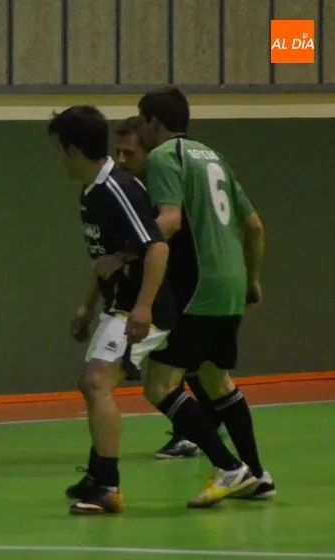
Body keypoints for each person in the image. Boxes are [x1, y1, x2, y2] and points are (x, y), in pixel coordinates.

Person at [50, 106, 257, 514]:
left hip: (141, 308)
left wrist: (143, 308)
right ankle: (102, 473)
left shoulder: (118, 189)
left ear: (73, 150)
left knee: (97, 382)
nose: (59, 159)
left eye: (60, 150)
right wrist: (88, 304)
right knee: (124, 387)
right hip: (119, 305)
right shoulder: (91, 191)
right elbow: (106, 259)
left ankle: (108, 486)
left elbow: (157, 247)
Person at [137, 86, 275, 501]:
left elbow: (170, 219)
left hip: (200, 284)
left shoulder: (165, 157)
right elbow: (254, 226)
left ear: (154, 123)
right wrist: (252, 278)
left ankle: (228, 467)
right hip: (231, 283)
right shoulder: (213, 156)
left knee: (157, 384)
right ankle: (258, 475)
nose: (140, 131)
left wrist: (127, 248)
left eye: (141, 122)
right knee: (215, 378)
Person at [114, 116, 223, 460]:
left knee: (177, 369)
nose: (121, 160)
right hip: (183, 288)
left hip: (192, 287)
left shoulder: (166, 192)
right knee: (195, 366)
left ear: (151, 152)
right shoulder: (139, 191)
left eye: (129, 153)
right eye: (118, 152)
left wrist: (126, 254)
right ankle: (206, 430)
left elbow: (167, 232)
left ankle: (207, 441)